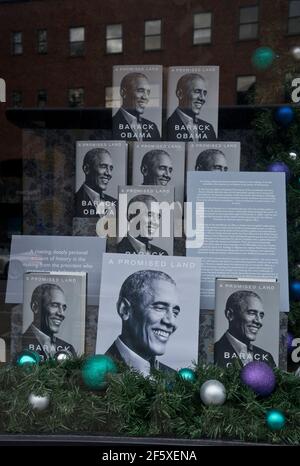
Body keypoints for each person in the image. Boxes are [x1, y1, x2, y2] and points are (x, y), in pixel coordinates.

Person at [105, 270, 180, 376]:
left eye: (175, 313)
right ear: (125, 309)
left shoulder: (174, 378)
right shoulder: (97, 377)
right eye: (160, 308)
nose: (172, 322)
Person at [214, 290, 276, 368]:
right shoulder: (213, 354)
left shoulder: (267, 357)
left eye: (261, 316)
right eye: (252, 313)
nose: (259, 322)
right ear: (230, 315)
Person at [22, 283, 76, 360]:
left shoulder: (68, 348)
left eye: (63, 308)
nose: (61, 314)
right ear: (35, 307)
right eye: (55, 305)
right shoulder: (19, 344)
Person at [167, 73, 217, 141]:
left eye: (204, 93)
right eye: (197, 91)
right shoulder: (167, 126)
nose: (202, 98)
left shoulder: (209, 128)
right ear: (180, 94)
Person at [112, 72, 160, 141]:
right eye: (140, 90)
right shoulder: (109, 126)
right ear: (123, 93)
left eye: (148, 92)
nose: (145, 97)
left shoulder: (153, 128)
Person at [75, 148, 117, 218]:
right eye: (103, 166)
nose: (109, 173)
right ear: (86, 169)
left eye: (111, 168)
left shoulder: (115, 203)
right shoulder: (73, 202)